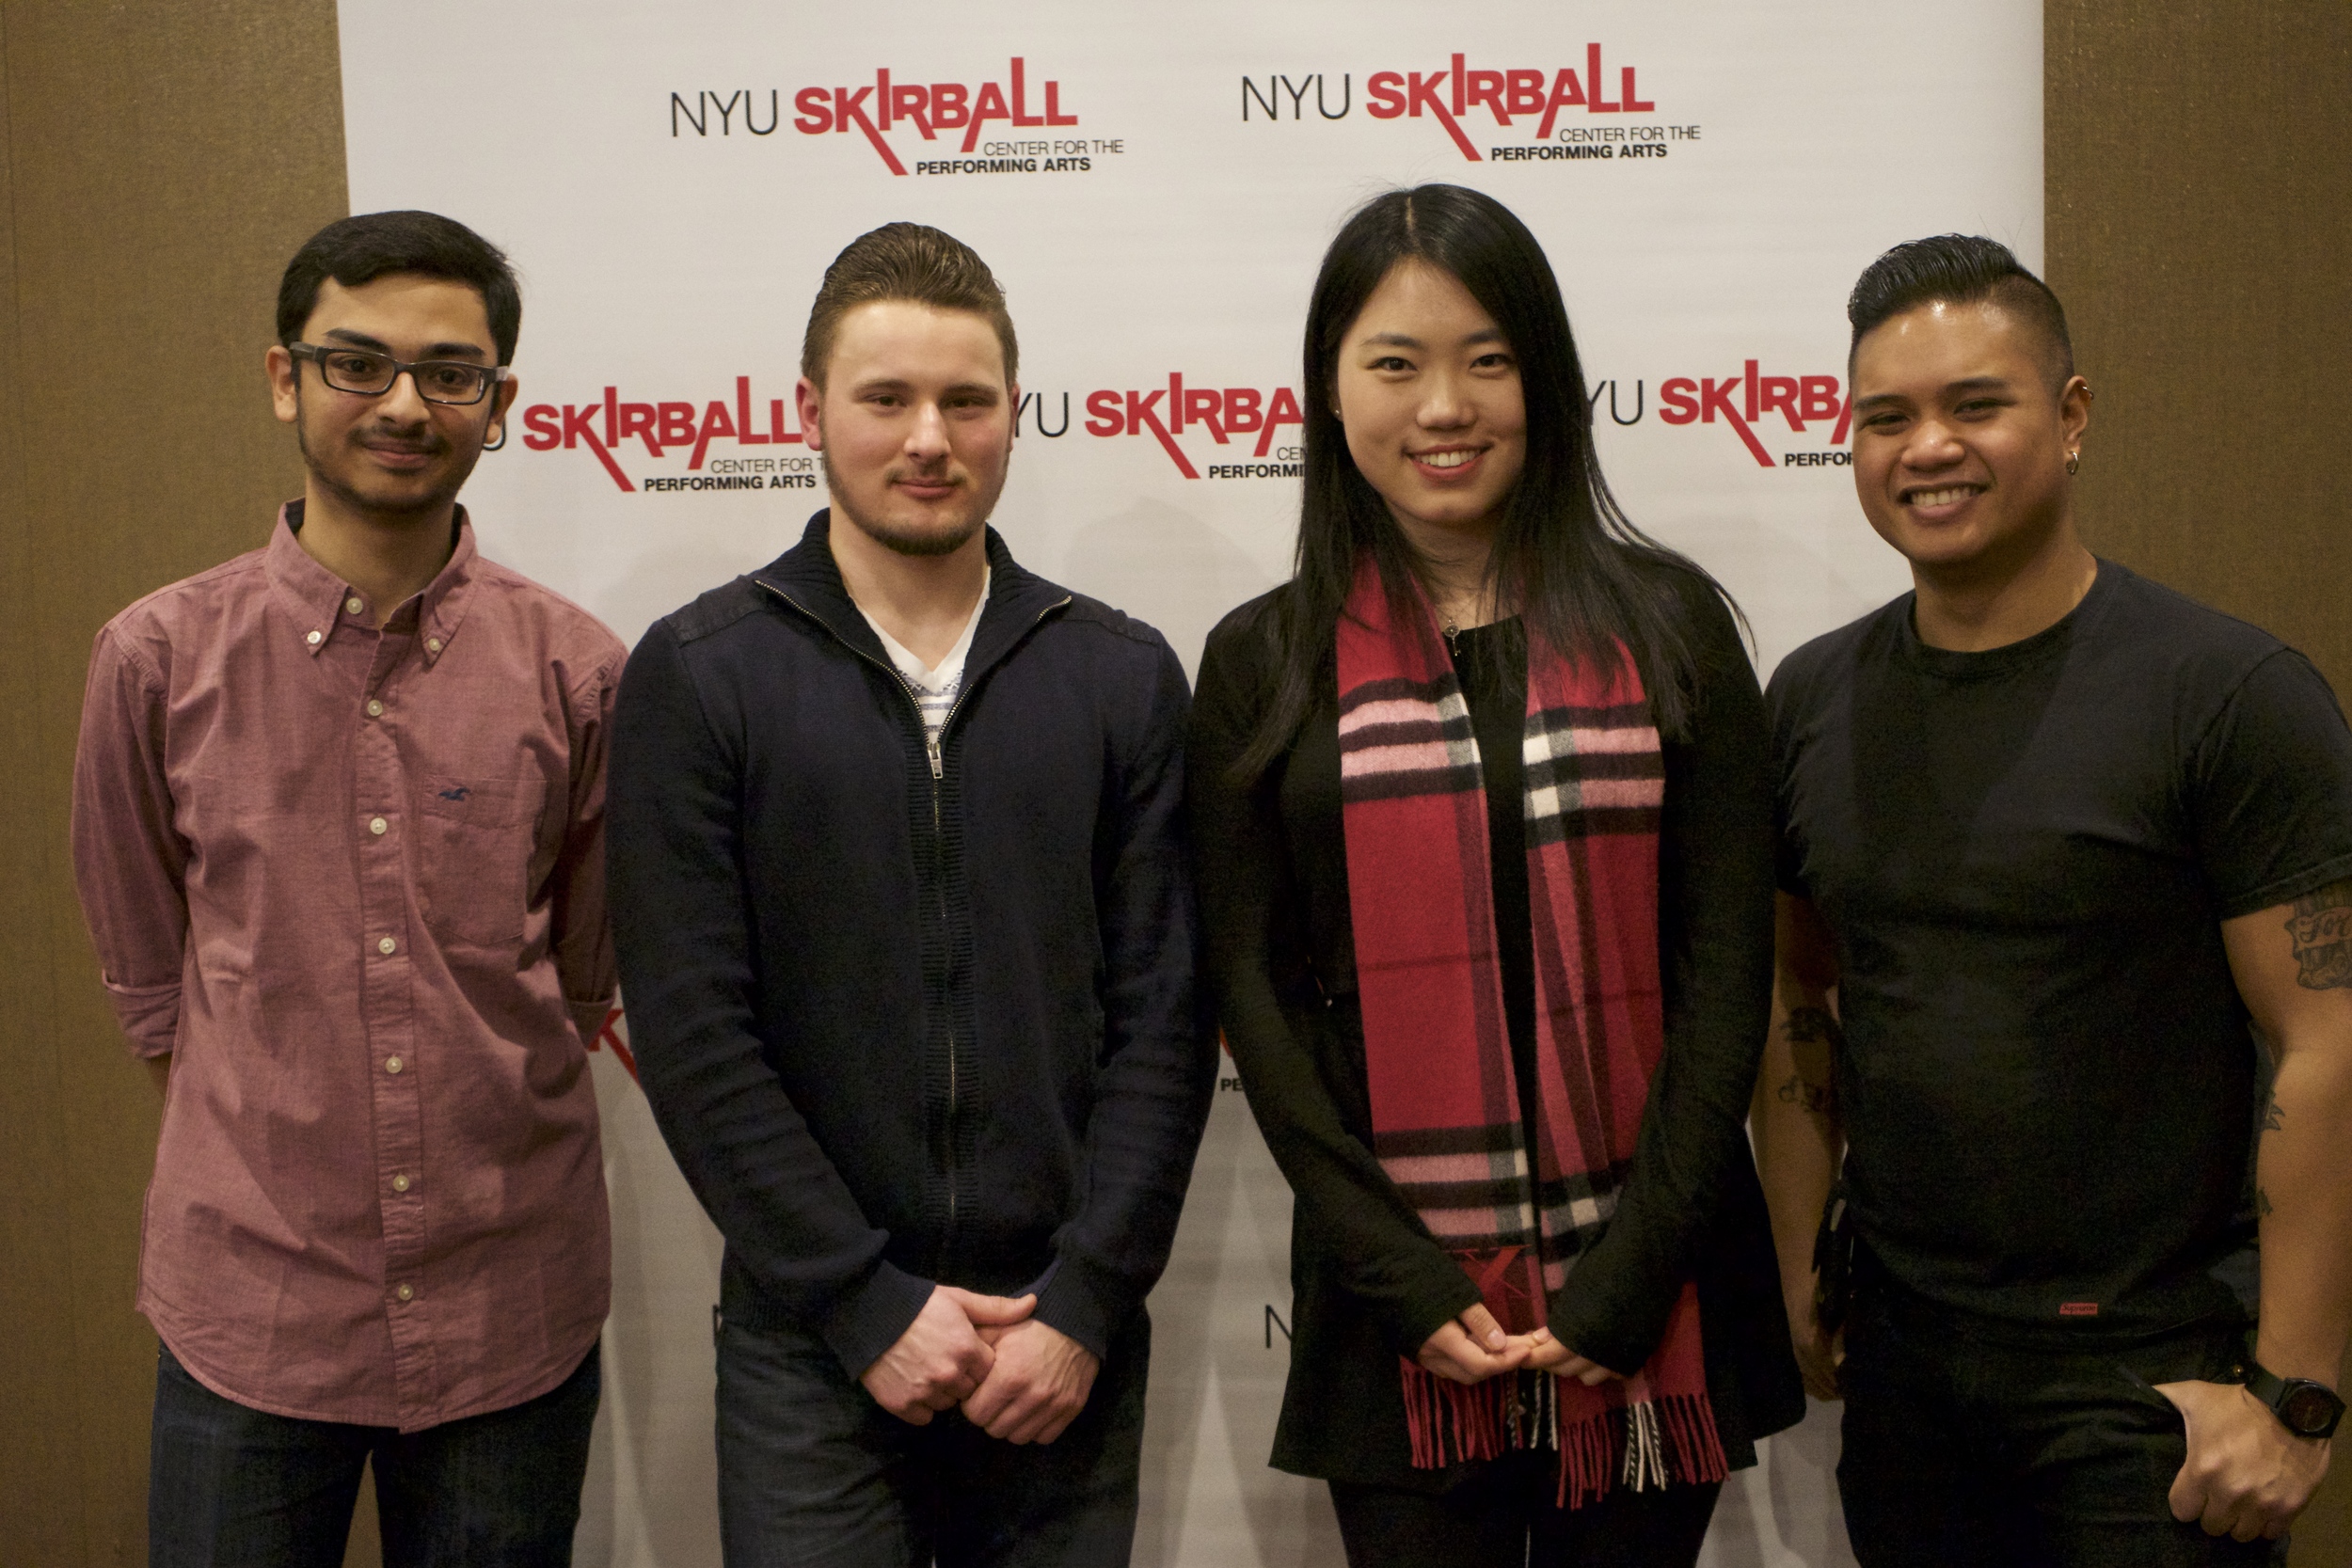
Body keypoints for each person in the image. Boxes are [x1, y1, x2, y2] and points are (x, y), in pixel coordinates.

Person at [1187, 183, 1803, 1567]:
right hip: (1398, 1315)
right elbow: (1254, 992)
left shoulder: (1672, 625)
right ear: (1332, 395)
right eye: (1394, 365)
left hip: (1657, 1292)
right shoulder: (1262, 663)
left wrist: (1632, 1274)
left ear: (1548, 381)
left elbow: (1724, 975)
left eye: (1487, 359)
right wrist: (1399, 1276)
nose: (1444, 407)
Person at [606, 221, 1214, 1568]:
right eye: (887, 399)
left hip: (1060, 1339)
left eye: (967, 400)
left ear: (1015, 416)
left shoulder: (1117, 676)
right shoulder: (702, 676)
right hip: (812, 1346)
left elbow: (1165, 1021)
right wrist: (859, 1301)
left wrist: (1088, 1301)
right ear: (808, 413)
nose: (928, 436)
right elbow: (697, 1037)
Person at [1754, 234, 2352, 1563]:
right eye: (1886, 417)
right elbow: (1802, 998)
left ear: (2071, 417)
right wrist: (1804, 1267)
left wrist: (2296, 1399)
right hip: (1906, 1371)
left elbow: (2330, 1043)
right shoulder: (1807, 702)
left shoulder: (2230, 695)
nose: (1928, 448)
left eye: (1977, 404)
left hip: (2150, 1386)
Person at [71, 211, 620, 1565]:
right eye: (356, 362)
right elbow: (151, 979)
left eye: (450, 371)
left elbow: (588, 969)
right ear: (284, 378)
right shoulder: (154, 661)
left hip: (511, 1309)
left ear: (499, 405)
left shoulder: (580, 674)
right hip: (252, 1309)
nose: (403, 404)